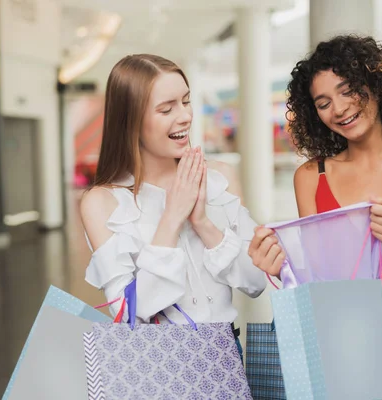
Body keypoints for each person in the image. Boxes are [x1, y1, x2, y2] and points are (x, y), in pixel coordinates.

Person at [249, 35, 382, 304]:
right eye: (323, 104)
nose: (339, 109)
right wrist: (281, 268)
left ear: (376, 86)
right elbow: (321, 284)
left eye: (348, 90)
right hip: (347, 336)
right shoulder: (311, 177)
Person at [80, 54, 265, 338]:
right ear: (130, 122)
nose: (185, 116)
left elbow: (255, 282)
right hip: (156, 368)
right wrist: (172, 217)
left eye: (186, 101)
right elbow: (128, 316)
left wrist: (202, 222)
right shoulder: (103, 202)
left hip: (226, 356)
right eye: (166, 110)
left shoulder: (220, 177)